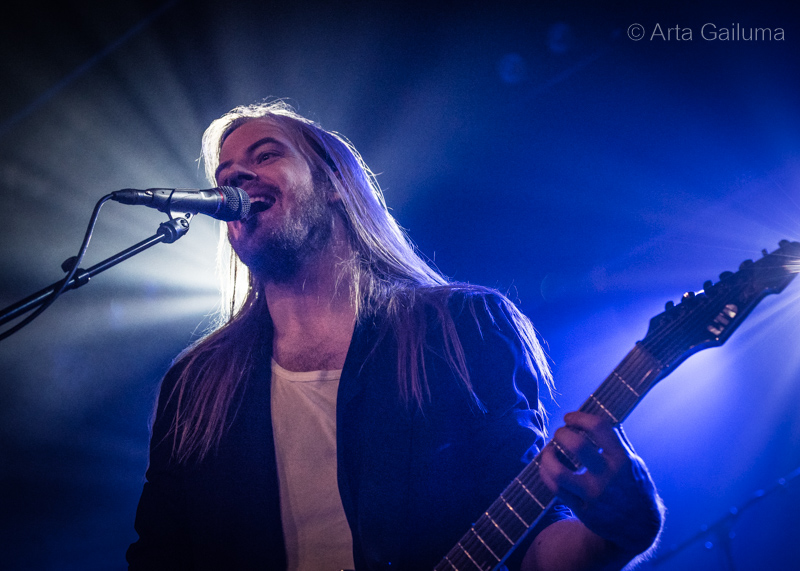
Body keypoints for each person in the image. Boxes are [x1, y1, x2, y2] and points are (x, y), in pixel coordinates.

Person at [127, 100, 664, 570]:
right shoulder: (196, 384)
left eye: (265, 155)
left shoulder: (460, 329)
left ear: (334, 184)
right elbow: (159, 556)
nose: (236, 178)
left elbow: (531, 543)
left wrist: (623, 531)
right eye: (224, 175)